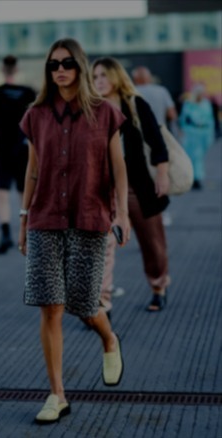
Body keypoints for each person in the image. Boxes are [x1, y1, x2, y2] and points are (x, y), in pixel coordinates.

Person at [18, 38, 128, 425]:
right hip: (45, 218)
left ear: (80, 67)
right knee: (51, 307)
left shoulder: (105, 112)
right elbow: (32, 169)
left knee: (84, 306)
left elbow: (118, 168)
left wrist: (123, 214)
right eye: (53, 65)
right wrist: (23, 217)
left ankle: (108, 338)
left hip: (89, 217)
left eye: (67, 63)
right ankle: (56, 394)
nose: (60, 70)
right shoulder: (37, 115)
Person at [93, 57, 171, 313]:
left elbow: (157, 142)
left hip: (137, 186)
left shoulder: (135, 104)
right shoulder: (91, 109)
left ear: (116, 76)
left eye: (104, 75)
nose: (99, 81)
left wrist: (162, 174)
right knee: (103, 247)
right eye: (94, 77)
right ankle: (103, 302)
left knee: (152, 244)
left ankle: (159, 286)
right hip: (104, 189)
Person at [0, 55, 36, 254]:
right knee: (24, 193)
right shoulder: (28, 92)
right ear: (17, 68)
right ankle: (27, 232)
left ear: (3, 69)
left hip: (1, 148)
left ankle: (6, 235)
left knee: (1, 193)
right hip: (23, 147)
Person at [179, 84, 215, 190]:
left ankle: (195, 177)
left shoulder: (206, 104)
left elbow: (210, 119)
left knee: (199, 156)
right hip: (191, 133)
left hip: (204, 132)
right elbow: (183, 119)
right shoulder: (189, 104)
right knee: (194, 156)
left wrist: (211, 133)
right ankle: (195, 177)